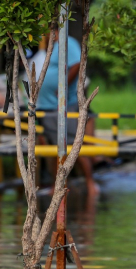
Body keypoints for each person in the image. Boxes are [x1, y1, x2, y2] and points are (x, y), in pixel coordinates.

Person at [36, 30, 98, 194]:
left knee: (73, 145)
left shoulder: (67, 42)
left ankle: (91, 183)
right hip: (48, 107)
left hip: (64, 106)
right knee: (54, 148)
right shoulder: (50, 47)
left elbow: (76, 64)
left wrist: (61, 87)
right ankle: (59, 185)